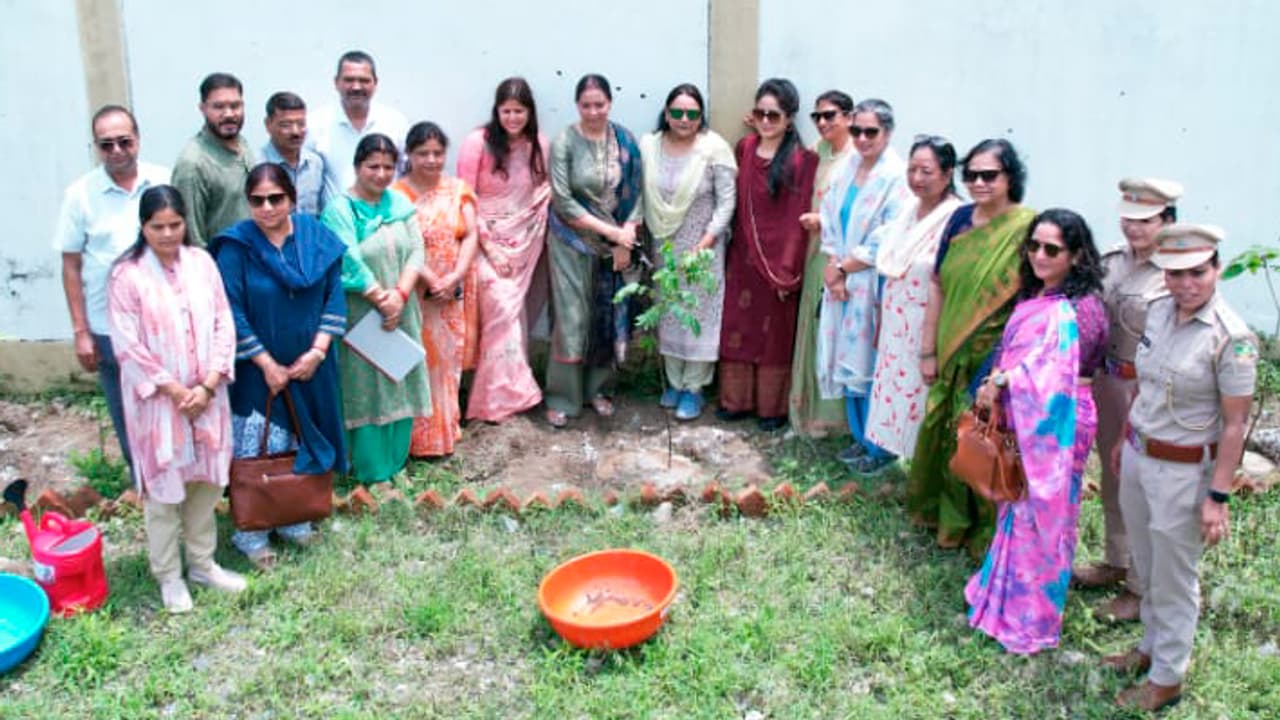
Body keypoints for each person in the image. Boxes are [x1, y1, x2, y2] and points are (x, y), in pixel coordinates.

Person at [1104, 225, 1256, 713]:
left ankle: (1168, 676)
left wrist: (1218, 497)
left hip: (1184, 471)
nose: (1186, 284)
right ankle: (1150, 646)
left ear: (1216, 270)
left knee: (1174, 574)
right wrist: (1124, 436)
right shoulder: (1158, 312)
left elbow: (1235, 425)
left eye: (1197, 273)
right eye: (1175, 274)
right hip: (1139, 454)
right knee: (1147, 562)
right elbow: (1144, 384)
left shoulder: (1231, 337)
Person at [964, 208, 1108, 654]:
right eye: (1033, 246)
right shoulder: (1039, 295)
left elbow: (1056, 373)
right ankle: (1002, 598)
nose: (1040, 256)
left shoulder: (1081, 309)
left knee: (1044, 517)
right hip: (1024, 413)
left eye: (1052, 249)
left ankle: (1032, 620)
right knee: (1016, 506)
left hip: (1058, 422)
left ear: (1076, 255)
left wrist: (1004, 381)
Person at [107, 185, 246, 613]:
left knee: (206, 485)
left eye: (175, 224)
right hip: (159, 404)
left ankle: (203, 564)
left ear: (185, 222)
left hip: (208, 396)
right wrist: (175, 389)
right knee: (164, 490)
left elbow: (223, 322)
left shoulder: (202, 263)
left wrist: (208, 384)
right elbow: (127, 346)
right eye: (157, 226)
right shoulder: (127, 276)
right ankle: (169, 575)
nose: (167, 234)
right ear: (142, 227)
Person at [209, 164, 347, 570]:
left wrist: (317, 352)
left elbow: (334, 296)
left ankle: (294, 518)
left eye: (276, 198)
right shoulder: (236, 247)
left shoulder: (315, 237)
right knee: (259, 446)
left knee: (301, 441)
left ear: (292, 198)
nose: (267, 208)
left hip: (312, 368)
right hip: (257, 373)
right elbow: (230, 309)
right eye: (257, 200)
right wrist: (266, 362)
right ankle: (252, 531)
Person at [907, 138, 1035, 558]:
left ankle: (984, 533)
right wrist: (928, 349)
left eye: (989, 175)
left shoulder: (1027, 229)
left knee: (983, 437)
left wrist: (1004, 367)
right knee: (942, 429)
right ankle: (943, 518)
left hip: (995, 353)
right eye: (972, 175)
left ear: (1010, 177)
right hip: (950, 346)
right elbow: (938, 284)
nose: (979, 183)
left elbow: (1031, 301)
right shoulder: (960, 218)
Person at [1073, 178, 1182, 623]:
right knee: (1114, 474)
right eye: (1128, 219)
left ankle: (1140, 587)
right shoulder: (1112, 260)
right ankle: (1116, 560)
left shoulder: (1177, 271)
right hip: (1108, 381)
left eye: (1146, 220)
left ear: (1168, 221)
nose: (1134, 228)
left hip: (1150, 390)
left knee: (1143, 486)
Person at [54, 105, 170, 475]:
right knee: (127, 413)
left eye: (124, 141)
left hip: (163, 322)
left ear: (138, 140)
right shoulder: (80, 195)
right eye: (107, 145)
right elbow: (71, 265)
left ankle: (179, 482)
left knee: (170, 404)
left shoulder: (163, 181)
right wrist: (81, 331)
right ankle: (143, 481)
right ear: (96, 147)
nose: (117, 151)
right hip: (109, 327)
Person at [320, 134, 431, 483]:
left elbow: (417, 251)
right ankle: (369, 470)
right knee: (366, 388)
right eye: (373, 166)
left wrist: (399, 294)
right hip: (362, 316)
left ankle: (396, 464)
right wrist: (381, 298)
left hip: (401, 311)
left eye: (387, 167)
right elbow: (346, 257)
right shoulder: (340, 209)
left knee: (400, 377)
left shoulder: (398, 204)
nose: (381, 174)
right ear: (357, 167)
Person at [718, 78, 818, 431]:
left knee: (773, 333)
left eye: (773, 115)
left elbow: (796, 218)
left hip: (780, 264)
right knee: (738, 325)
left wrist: (786, 271)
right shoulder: (745, 148)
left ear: (789, 119)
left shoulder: (802, 161)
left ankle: (770, 409)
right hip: (742, 257)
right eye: (759, 113)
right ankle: (735, 401)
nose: (765, 121)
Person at [814, 98, 909, 470]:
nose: (863, 139)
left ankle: (881, 447)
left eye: (872, 132)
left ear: (888, 133)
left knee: (871, 362)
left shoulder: (896, 177)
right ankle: (859, 436)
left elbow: (889, 235)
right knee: (846, 356)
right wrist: (833, 265)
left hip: (872, 281)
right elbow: (829, 218)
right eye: (857, 131)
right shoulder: (849, 166)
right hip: (842, 277)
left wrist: (843, 268)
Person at [544, 74, 644, 428]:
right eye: (586, 105)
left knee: (607, 314)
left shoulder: (625, 141)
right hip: (571, 242)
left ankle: (599, 390)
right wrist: (610, 233)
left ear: (609, 103)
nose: (593, 112)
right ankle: (563, 398)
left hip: (615, 245)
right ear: (577, 106)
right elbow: (563, 200)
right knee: (572, 319)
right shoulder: (564, 142)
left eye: (599, 104)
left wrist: (623, 239)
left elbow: (637, 194)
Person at [639, 83, 737, 421]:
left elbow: (727, 202)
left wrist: (707, 241)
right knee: (668, 310)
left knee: (698, 313)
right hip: (663, 243)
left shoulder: (714, 149)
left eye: (692, 113)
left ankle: (694, 388)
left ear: (701, 116)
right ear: (666, 114)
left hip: (702, 248)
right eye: (677, 112)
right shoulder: (650, 146)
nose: (684, 119)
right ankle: (674, 382)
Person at [456, 78, 552, 423]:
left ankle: (508, 396)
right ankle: (498, 399)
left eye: (519, 111)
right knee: (500, 308)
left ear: (530, 112)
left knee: (515, 315)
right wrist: (490, 248)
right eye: (506, 111)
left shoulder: (539, 143)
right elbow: (465, 199)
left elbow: (543, 188)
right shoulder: (477, 142)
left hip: (525, 242)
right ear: (496, 111)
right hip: (483, 240)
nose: (512, 118)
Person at [864, 136, 963, 460]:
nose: (917, 178)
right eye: (912, 170)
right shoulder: (909, 209)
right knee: (895, 395)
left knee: (921, 397)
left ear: (947, 174)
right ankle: (893, 456)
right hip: (896, 322)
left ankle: (925, 466)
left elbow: (947, 280)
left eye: (926, 171)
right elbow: (890, 265)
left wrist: (931, 347)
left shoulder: (957, 218)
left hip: (927, 324)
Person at [392, 123, 479, 457]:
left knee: (447, 362)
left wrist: (455, 276)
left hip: (453, 292)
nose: (431, 160)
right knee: (420, 359)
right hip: (416, 290)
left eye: (437, 153)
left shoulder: (459, 190)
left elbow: (470, 234)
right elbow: (401, 244)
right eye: (422, 153)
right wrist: (430, 278)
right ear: (409, 155)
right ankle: (417, 439)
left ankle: (445, 433)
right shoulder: (397, 195)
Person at [790, 90, 857, 437]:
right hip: (813, 253)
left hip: (842, 258)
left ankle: (835, 421)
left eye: (830, 115)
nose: (822, 123)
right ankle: (808, 412)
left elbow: (861, 212)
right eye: (817, 117)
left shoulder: (857, 159)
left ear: (849, 117)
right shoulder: (819, 151)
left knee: (833, 333)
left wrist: (824, 221)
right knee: (813, 328)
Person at [171, 72, 254, 247]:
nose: (229, 114)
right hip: (219, 261)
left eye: (235, 106)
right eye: (219, 107)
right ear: (203, 108)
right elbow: (192, 238)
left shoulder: (242, 143)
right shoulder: (193, 164)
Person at [313, 51, 409, 193]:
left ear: (375, 83)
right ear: (336, 82)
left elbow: (408, 171)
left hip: (388, 207)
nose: (356, 87)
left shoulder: (395, 122)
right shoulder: (315, 123)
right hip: (335, 207)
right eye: (349, 80)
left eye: (364, 80)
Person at [260, 91, 337, 216]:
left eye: (301, 124)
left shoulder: (315, 164)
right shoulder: (256, 165)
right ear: (268, 124)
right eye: (286, 125)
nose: (295, 132)